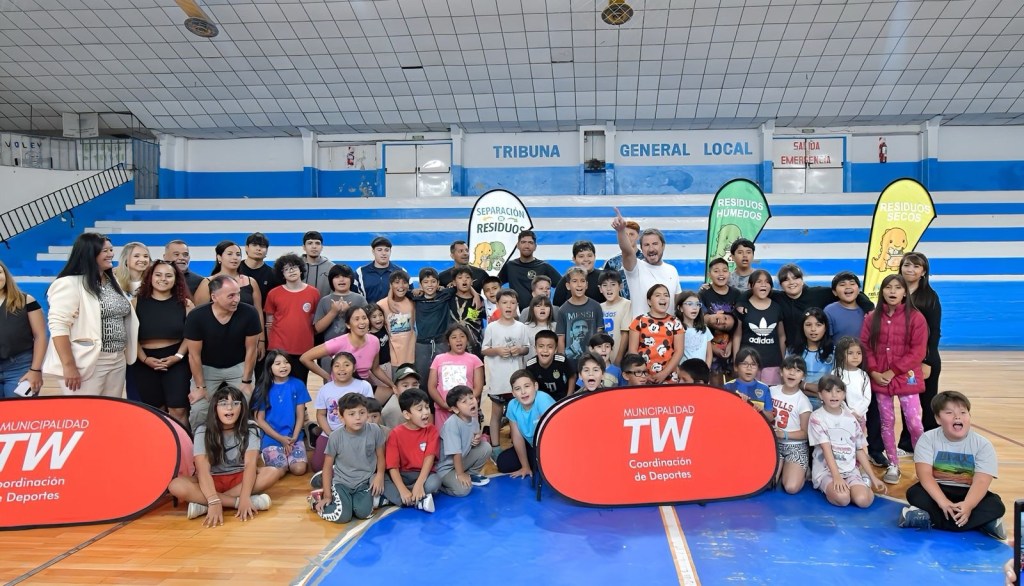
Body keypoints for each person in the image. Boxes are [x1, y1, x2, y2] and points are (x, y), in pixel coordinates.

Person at [167, 385, 282, 525]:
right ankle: (234, 503)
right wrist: (214, 499)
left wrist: (244, 496)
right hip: (211, 480)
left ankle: (204, 504)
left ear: (242, 408)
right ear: (215, 408)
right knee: (175, 485)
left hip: (240, 479)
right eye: (223, 403)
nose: (229, 408)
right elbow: (203, 470)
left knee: (273, 471)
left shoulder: (251, 427)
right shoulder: (203, 430)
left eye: (235, 403)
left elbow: (250, 465)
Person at [900, 391, 1006, 539]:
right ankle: (982, 523)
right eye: (949, 413)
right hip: (938, 491)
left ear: (969, 416)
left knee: (996, 505)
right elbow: (925, 475)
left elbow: (981, 481)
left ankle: (925, 517)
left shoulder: (983, 445)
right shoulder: (927, 439)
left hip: (968, 492)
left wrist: (968, 506)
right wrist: (943, 502)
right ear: (938, 419)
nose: (957, 417)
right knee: (914, 493)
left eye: (963, 412)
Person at [43, 232, 138, 396]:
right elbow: (58, 326)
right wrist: (69, 365)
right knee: (85, 410)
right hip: (88, 361)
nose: (111, 254)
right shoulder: (69, 283)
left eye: (111, 250)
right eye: (105, 251)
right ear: (89, 253)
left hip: (117, 359)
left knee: (110, 409)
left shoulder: (112, 281)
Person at [861, 274, 928, 485]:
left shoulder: (916, 318)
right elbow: (865, 346)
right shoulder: (871, 318)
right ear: (882, 291)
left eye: (897, 287)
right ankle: (893, 464)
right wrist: (874, 371)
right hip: (880, 379)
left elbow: (918, 352)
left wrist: (893, 371)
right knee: (886, 422)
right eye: (888, 287)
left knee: (915, 423)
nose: (892, 291)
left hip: (906, 378)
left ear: (905, 292)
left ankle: (924, 466)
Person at [183, 274, 262, 430]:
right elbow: (194, 356)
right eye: (231, 296)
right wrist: (200, 388)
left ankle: (242, 440)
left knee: (245, 402)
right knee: (199, 409)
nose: (236, 299)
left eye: (238, 294)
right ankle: (198, 440)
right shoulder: (197, 316)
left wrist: (246, 382)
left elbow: (251, 349)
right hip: (207, 367)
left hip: (239, 365)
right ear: (214, 297)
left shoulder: (250, 313)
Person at [131, 260, 194, 428]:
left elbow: (192, 335)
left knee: (178, 409)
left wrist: (178, 356)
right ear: (150, 277)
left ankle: (183, 443)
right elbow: (131, 336)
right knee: (155, 411)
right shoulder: (136, 302)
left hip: (177, 360)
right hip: (144, 362)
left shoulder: (186, 303)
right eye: (158, 275)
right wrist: (145, 359)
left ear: (176, 279)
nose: (163, 279)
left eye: (168, 275)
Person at [808, 375, 886, 508]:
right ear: (820, 395)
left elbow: (859, 449)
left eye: (838, 391)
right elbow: (826, 450)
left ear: (844, 395)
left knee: (863, 501)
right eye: (828, 391)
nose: (834, 395)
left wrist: (873, 477)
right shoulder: (817, 417)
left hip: (850, 470)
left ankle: (862, 482)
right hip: (827, 471)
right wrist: (836, 477)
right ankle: (834, 487)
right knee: (843, 498)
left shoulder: (850, 418)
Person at [311, 393, 386, 524]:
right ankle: (316, 501)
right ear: (341, 417)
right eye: (351, 414)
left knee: (363, 513)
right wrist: (327, 496)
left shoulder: (375, 430)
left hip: (364, 482)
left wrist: (379, 475)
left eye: (362, 413)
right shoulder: (335, 437)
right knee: (343, 516)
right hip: (342, 482)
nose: (358, 418)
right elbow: (327, 467)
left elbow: (380, 456)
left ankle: (347, 500)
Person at [300, 305, 394, 403]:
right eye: (356, 319)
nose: (362, 322)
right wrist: (328, 377)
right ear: (348, 325)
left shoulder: (374, 341)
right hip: (343, 388)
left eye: (364, 318)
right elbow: (305, 358)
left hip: (363, 386)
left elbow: (375, 369)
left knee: (393, 394)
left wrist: (393, 385)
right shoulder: (338, 342)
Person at [898, 251, 942, 455]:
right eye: (907, 265)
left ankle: (931, 445)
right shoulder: (895, 293)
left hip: (924, 360)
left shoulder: (930, 298)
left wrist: (927, 361)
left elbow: (934, 333)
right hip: (903, 360)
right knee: (908, 403)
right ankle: (907, 444)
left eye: (916, 266)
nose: (910, 269)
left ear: (923, 272)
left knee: (927, 403)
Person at [481, 289, 531, 453]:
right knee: (496, 414)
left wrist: (519, 350)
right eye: (504, 303)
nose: (509, 306)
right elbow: (484, 350)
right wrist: (497, 350)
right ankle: (495, 448)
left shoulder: (521, 327)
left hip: (516, 381)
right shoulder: (492, 328)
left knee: (517, 415)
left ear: (517, 305)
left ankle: (519, 446)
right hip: (498, 381)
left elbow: (526, 348)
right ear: (497, 305)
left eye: (512, 303)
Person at [310, 351, 374, 472]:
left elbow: (369, 412)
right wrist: (331, 434)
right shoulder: (325, 389)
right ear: (332, 369)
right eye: (337, 365)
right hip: (331, 433)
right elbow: (321, 415)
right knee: (317, 466)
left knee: (359, 465)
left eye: (346, 365)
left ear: (354, 368)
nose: (342, 369)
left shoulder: (364, 386)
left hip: (357, 433)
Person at [611, 208, 680, 318]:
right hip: (641, 328)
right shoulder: (635, 267)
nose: (651, 249)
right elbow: (627, 252)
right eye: (646, 245)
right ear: (642, 249)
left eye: (655, 244)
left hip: (668, 328)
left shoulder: (672, 270)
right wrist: (620, 231)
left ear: (663, 246)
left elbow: (679, 304)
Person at [263, 253, 321, 386]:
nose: (291, 271)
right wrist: (271, 346)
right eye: (286, 269)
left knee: (300, 384)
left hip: (304, 349)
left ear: (301, 269)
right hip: (279, 348)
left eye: (294, 267)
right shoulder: (273, 293)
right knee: (278, 385)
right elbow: (269, 322)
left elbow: (316, 320)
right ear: (282, 274)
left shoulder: (314, 293)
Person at [252, 350, 310, 476]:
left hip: (293, 436)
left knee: (299, 469)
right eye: (278, 363)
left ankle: (287, 456)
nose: (283, 366)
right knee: (280, 470)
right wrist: (281, 439)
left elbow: (300, 416)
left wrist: (294, 437)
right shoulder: (262, 388)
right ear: (269, 367)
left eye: (286, 362)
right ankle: (269, 454)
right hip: (272, 437)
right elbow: (260, 420)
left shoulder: (298, 384)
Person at [382, 388, 441, 513]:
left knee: (434, 482)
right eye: (420, 409)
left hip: (422, 474)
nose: (426, 412)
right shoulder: (395, 434)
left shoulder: (432, 430)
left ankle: (402, 498)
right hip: (403, 475)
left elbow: (429, 458)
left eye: (427, 407)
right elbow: (393, 466)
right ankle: (417, 500)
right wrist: (402, 489)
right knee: (381, 478)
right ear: (407, 415)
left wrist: (419, 484)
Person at [193, 242, 265, 335]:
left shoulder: (251, 282)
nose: (235, 257)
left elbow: (258, 312)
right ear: (219, 257)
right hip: (215, 335)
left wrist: (261, 338)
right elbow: (198, 314)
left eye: (238, 254)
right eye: (230, 254)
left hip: (247, 336)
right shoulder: (207, 283)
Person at [494, 370, 556, 476]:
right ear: (513, 393)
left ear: (535, 386)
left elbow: (553, 435)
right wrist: (525, 466)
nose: (523, 392)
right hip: (532, 445)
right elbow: (517, 437)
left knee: (545, 467)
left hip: (551, 446)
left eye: (527, 386)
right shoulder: (512, 405)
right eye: (518, 389)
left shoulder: (543, 399)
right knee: (503, 462)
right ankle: (533, 464)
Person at [0, 260, 46, 397]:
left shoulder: (26, 300)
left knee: (18, 409)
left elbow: (40, 336)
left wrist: (35, 370)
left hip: (20, 366)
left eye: (0, 272)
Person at [437, 385, 491, 497]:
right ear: (455, 409)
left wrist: (477, 439)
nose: (471, 402)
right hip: (446, 469)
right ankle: (440, 486)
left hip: (462, 460)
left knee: (486, 447)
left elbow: (472, 436)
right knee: (464, 490)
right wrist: (460, 474)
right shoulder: (452, 424)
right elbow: (456, 453)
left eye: (471, 398)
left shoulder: (473, 418)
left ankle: (470, 475)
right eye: (464, 401)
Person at [733, 269, 785, 385]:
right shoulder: (742, 308)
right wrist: (736, 361)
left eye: (767, 282)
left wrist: (782, 361)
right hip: (748, 364)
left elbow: (781, 336)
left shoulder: (777, 308)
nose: (763, 284)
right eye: (759, 281)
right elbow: (737, 336)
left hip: (772, 364)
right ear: (750, 285)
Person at [427, 323, 484, 428]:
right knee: (445, 436)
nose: (458, 340)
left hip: (467, 410)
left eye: (462, 336)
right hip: (443, 410)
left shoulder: (475, 359)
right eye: (454, 337)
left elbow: (478, 387)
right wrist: (443, 404)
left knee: (469, 437)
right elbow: (431, 386)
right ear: (448, 342)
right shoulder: (438, 359)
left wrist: (465, 404)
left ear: (467, 340)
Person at [410, 267, 460, 383]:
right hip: (422, 344)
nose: (430, 285)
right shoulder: (416, 297)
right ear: (420, 284)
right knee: (422, 378)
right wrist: (414, 291)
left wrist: (475, 295)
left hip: (441, 343)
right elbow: (399, 293)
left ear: (438, 283)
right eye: (426, 282)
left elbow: (461, 285)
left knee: (444, 377)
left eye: (433, 281)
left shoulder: (445, 294)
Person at [770, 355, 812, 494]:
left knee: (791, 488)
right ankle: (782, 467)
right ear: (781, 372)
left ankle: (803, 470)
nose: (792, 373)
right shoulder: (771, 391)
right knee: (768, 484)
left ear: (803, 376)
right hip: (773, 444)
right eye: (788, 368)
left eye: (798, 370)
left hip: (795, 446)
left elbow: (805, 433)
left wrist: (784, 434)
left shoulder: (803, 401)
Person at [628, 284, 684, 383]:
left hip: (669, 375)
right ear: (649, 301)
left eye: (666, 295)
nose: (663, 298)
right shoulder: (638, 321)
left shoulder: (675, 322)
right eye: (658, 295)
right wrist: (645, 374)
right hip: (642, 376)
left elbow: (679, 351)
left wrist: (664, 373)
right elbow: (632, 351)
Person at [497, 230, 562, 310]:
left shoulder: (543, 267)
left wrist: (557, 305)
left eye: (530, 243)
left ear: (535, 246)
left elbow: (563, 286)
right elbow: (495, 285)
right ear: (517, 245)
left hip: (539, 313)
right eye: (523, 242)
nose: (527, 246)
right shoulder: (510, 266)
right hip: (515, 313)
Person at [701, 257, 740, 385]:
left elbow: (739, 324)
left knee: (732, 385)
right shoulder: (704, 294)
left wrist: (731, 345)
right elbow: (700, 323)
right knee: (715, 384)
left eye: (724, 270)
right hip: (711, 348)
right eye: (716, 271)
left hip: (731, 348)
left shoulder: (736, 294)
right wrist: (712, 348)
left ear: (729, 273)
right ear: (709, 275)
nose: (721, 274)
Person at [787, 307, 835, 404]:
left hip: (826, 404)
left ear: (825, 327)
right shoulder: (792, 351)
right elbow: (789, 382)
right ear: (802, 327)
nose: (813, 329)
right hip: (796, 402)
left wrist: (804, 385)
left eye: (818, 325)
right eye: (808, 325)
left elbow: (834, 386)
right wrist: (815, 392)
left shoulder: (834, 352)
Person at [557, 267, 604, 363]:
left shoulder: (596, 306)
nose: (579, 284)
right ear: (568, 286)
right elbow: (561, 339)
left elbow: (599, 334)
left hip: (593, 361)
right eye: (575, 281)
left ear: (587, 285)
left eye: (582, 281)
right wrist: (561, 363)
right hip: (570, 363)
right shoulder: (563, 310)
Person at [313, 264, 368, 344]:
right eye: (337, 277)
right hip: (330, 347)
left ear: (351, 279)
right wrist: (333, 312)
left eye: (345, 276)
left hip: (355, 346)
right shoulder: (324, 301)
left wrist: (348, 312)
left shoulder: (360, 299)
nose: (341, 280)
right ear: (331, 280)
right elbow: (317, 329)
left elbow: (367, 326)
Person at [833, 336, 872, 433]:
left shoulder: (863, 375)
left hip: (860, 416)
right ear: (841, 355)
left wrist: (858, 413)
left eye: (859, 353)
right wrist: (849, 413)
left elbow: (867, 398)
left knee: (858, 440)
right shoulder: (836, 373)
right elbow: (835, 396)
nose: (855, 356)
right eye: (850, 353)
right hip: (841, 416)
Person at [724, 348, 774, 422]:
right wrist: (737, 402)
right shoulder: (728, 386)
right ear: (736, 367)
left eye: (753, 364)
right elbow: (723, 412)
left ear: (758, 368)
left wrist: (761, 410)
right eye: (744, 364)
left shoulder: (764, 388)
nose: (749, 368)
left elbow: (770, 418)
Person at [377, 270, 415, 367]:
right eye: (397, 282)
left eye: (404, 282)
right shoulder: (381, 305)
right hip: (391, 358)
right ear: (390, 285)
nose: (401, 286)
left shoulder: (413, 302)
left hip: (412, 356)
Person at [526, 329, 576, 401]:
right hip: (541, 400)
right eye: (541, 346)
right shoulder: (530, 365)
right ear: (535, 349)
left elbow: (572, 376)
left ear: (555, 349)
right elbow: (528, 385)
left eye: (550, 347)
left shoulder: (562, 361)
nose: (545, 350)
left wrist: (568, 397)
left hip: (561, 398)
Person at [553, 240, 603, 306]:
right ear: (574, 259)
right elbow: (557, 307)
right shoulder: (566, 280)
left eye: (589, 255)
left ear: (595, 256)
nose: (586, 259)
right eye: (581, 256)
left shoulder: (604, 277)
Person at [602, 219, 642, 299]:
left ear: (638, 236)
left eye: (631, 234)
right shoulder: (611, 262)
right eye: (625, 234)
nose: (628, 237)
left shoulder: (647, 260)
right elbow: (605, 286)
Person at [447, 266, 484, 355]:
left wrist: (476, 295)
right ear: (454, 282)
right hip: (452, 348)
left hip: (474, 347)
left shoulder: (479, 300)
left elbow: (476, 319)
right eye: (460, 278)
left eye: (467, 277)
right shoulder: (448, 298)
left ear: (472, 281)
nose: (464, 280)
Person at [239, 232, 279, 307]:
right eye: (254, 245)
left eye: (262, 246)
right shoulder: (235, 269)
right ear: (246, 248)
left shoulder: (273, 275)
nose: (258, 249)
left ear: (267, 250)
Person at [599, 270, 631, 366]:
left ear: (620, 286)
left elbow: (625, 334)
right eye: (605, 285)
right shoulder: (599, 307)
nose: (609, 289)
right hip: (602, 360)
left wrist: (618, 359)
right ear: (600, 289)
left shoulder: (626, 304)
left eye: (613, 284)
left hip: (619, 359)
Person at [359, 236, 404, 304]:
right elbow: (353, 296)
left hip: (394, 310)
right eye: (379, 250)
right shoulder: (360, 273)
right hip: (367, 310)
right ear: (373, 251)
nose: (383, 253)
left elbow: (409, 294)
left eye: (386, 250)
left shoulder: (401, 272)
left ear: (390, 251)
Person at [824, 271, 867, 340]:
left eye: (852, 284)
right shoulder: (829, 311)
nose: (848, 287)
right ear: (834, 292)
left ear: (859, 290)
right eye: (842, 285)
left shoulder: (867, 310)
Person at [676, 290, 713, 367]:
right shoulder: (677, 329)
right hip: (683, 371)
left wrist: (706, 370)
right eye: (690, 304)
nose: (695, 308)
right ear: (680, 308)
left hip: (702, 371)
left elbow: (709, 355)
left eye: (697, 304)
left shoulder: (704, 329)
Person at [301, 231, 336, 298]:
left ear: (322, 247)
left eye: (317, 243)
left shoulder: (331, 268)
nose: (314, 246)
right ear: (304, 247)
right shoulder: (296, 267)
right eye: (310, 243)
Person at [522, 294, 555, 361]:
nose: (542, 308)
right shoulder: (525, 327)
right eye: (538, 306)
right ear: (532, 309)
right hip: (530, 365)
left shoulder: (555, 327)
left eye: (546, 306)